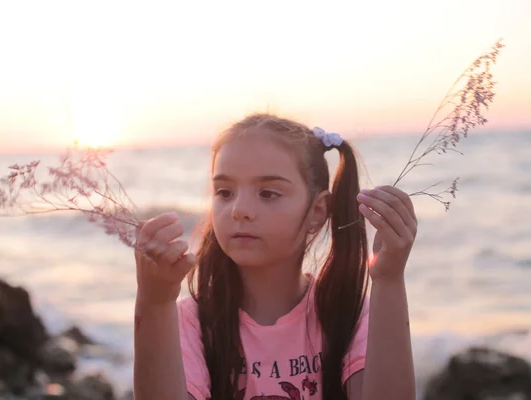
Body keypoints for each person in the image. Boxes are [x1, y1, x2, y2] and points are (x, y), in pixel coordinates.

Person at [133, 113, 417, 400]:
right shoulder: (191, 323)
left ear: (317, 211)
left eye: (268, 193)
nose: (239, 209)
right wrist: (154, 302)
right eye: (225, 192)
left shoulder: (348, 314)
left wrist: (389, 281)